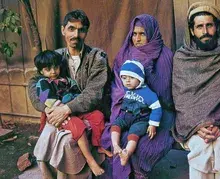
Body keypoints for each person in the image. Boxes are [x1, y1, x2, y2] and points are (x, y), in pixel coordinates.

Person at [28, 10, 111, 178]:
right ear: (63, 30)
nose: (76, 34)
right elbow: (33, 82)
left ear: (86, 32)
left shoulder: (97, 57)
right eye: (71, 29)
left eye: (81, 30)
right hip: (57, 113)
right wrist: (48, 108)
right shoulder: (55, 57)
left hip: (86, 113)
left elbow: (93, 93)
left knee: (67, 140)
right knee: (47, 138)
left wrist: (66, 109)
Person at [172, 2, 220, 179]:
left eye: (209, 25)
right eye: (199, 27)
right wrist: (198, 127)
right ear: (192, 30)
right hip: (193, 127)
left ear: (217, 27)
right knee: (201, 146)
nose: (205, 31)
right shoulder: (182, 58)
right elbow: (182, 101)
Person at [101, 14, 175, 179]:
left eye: (142, 34)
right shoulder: (125, 52)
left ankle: (138, 174)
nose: (137, 38)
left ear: (151, 33)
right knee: (115, 134)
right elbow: (117, 86)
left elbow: (164, 92)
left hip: (156, 113)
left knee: (144, 143)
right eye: (134, 34)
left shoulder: (165, 55)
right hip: (125, 107)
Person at [111, 60, 162, 166]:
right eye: (124, 78)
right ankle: (116, 145)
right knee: (115, 125)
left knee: (134, 133)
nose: (128, 81)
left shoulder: (148, 93)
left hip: (140, 119)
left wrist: (153, 125)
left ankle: (127, 153)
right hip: (125, 116)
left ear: (140, 78)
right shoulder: (125, 89)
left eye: (132, 78)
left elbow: (157, 108)